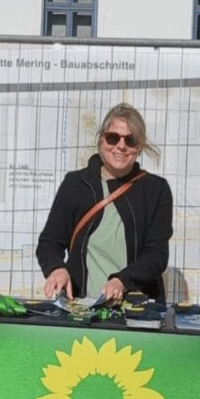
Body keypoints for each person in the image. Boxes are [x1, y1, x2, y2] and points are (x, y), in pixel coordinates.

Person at [36, 103, 173, 304]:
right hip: (81, 307)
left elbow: (157, 254)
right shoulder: (75, 184)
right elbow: (49, 242)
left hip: (137, 311)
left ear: (140, 147)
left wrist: (122, 281)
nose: (121, 146)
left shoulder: (156, 190)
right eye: (113, 137)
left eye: (131, 140)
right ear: (101, 141)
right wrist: (56, 269)